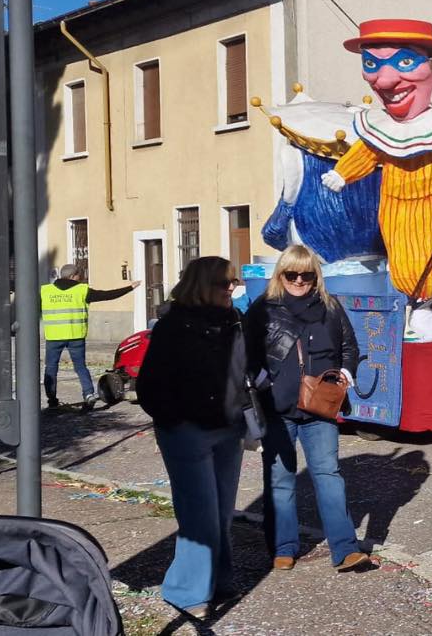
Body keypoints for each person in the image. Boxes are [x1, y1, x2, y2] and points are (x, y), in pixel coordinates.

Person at [321, 19, 432, 299]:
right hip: (395, 208)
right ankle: (410, 302)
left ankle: (429, 302)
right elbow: (367, 151)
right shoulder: (381, 129)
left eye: (404, 62)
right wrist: (343, 172)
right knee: (401, 258)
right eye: (371, 64)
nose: (385, 80)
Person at [244, 245, 369, 572]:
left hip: (320, 408)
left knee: (329, 475)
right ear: (280, 274)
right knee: (280, 479)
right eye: (292, 274)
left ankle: (345, 549)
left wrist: (345, 375)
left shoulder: (330, 306)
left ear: (316, 276)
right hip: (277, 408)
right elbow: (246, 352)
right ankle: (283, 547)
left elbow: (349, 346)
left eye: (307, 275)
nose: (299, 281)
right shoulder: (263, 308)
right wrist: (262, 380)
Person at [135, 257, 246, 619]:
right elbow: (150, 385)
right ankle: (187, 592)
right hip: (187, 430)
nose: (231, 288)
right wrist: (174, 418)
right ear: (202, 285)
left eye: (233, 282)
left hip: (227, 426)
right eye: (224, 283)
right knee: (200, 514)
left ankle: (220, 579)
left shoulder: (234, 320)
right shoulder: (173, 325)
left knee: (222, 511)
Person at [40, 263, 140, 410]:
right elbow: (107, 295)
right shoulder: (82, 290)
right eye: (79, 275)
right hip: (75, 336)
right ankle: (88, 395)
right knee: (81, 367)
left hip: (54, 336)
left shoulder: (45, 291)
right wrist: (130, 288)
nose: (81, 278)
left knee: (51, 368)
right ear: (73, 276)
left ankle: (52, 400)